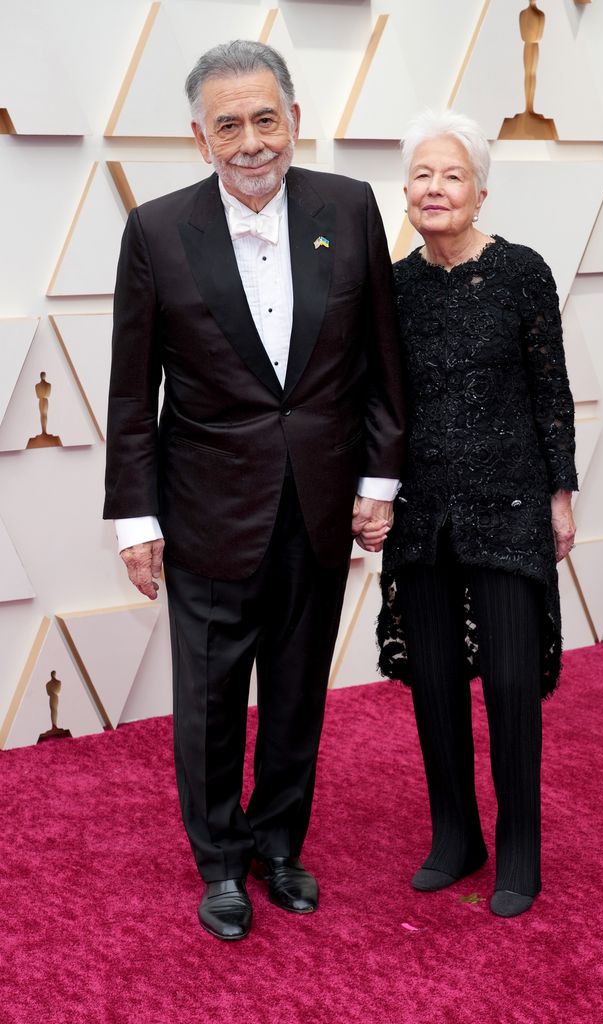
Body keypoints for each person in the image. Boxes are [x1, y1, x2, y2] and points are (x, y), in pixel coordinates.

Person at [104, 41, 404, 941]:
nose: (250, 141)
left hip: (318, 503)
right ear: (200, 138)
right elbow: (131, 391)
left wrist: (379, 480)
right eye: (227, 124)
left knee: (299, 693)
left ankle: (280, 846)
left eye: (265, 118)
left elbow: (381, 366)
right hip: (203, 511)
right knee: (207, 704)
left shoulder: (349, 210)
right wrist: (135, 518)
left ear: (295, 122)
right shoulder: (156, 230)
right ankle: (222, 864)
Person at [377, 110, 577, 918]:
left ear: (481, 190)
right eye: (423, 174)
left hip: (510, 504)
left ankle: (519, 847)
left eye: (451, 174)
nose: (435, 188)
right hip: (422, 512)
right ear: (406, 190)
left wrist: (560, 494)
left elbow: (550, 391)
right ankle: (455, 834)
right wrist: (374, 494)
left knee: (509, 685)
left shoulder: (523, 272)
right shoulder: (392, 286)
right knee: (433, 684)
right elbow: (379, 403)